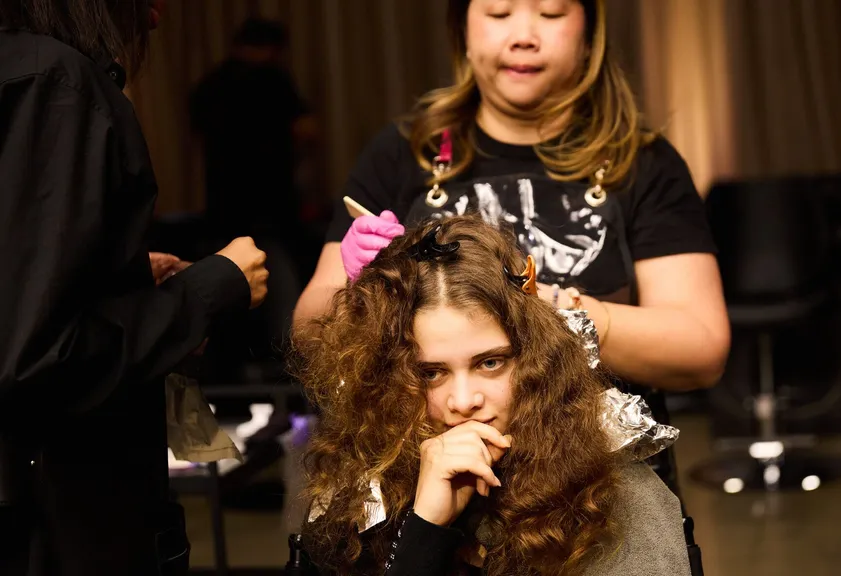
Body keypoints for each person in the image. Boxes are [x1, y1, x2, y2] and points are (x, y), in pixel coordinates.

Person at [294, 0, 729, 394]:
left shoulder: (643, 161)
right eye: (499, 13)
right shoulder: (403, 152)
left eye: (551, 13)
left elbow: (701, 348)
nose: (523, 37)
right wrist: (357, 290)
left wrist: (547, 306)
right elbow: (308, 336)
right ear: (463, 30)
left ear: (589, 35)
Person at [0, 1, 270, 574]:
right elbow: (35, 357)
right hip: (57, 518)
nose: (156, 18)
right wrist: (213, 288)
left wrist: (116, 275)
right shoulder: (55, 81)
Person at [297, 216, 691, 575]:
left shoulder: (612, 496)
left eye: (490, 363)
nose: (463, 400)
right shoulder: (361, 496)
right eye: (431, 373)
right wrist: (425, 528)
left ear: (536, 360)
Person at [190, 17, 316, 370]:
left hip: (223, 211)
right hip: (271, 210)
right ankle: (288, 374)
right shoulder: (273, 80)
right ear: (273, 49)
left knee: (230, 300)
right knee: (282, 300)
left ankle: (236, 373)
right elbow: (306, 130)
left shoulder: (211, 85)